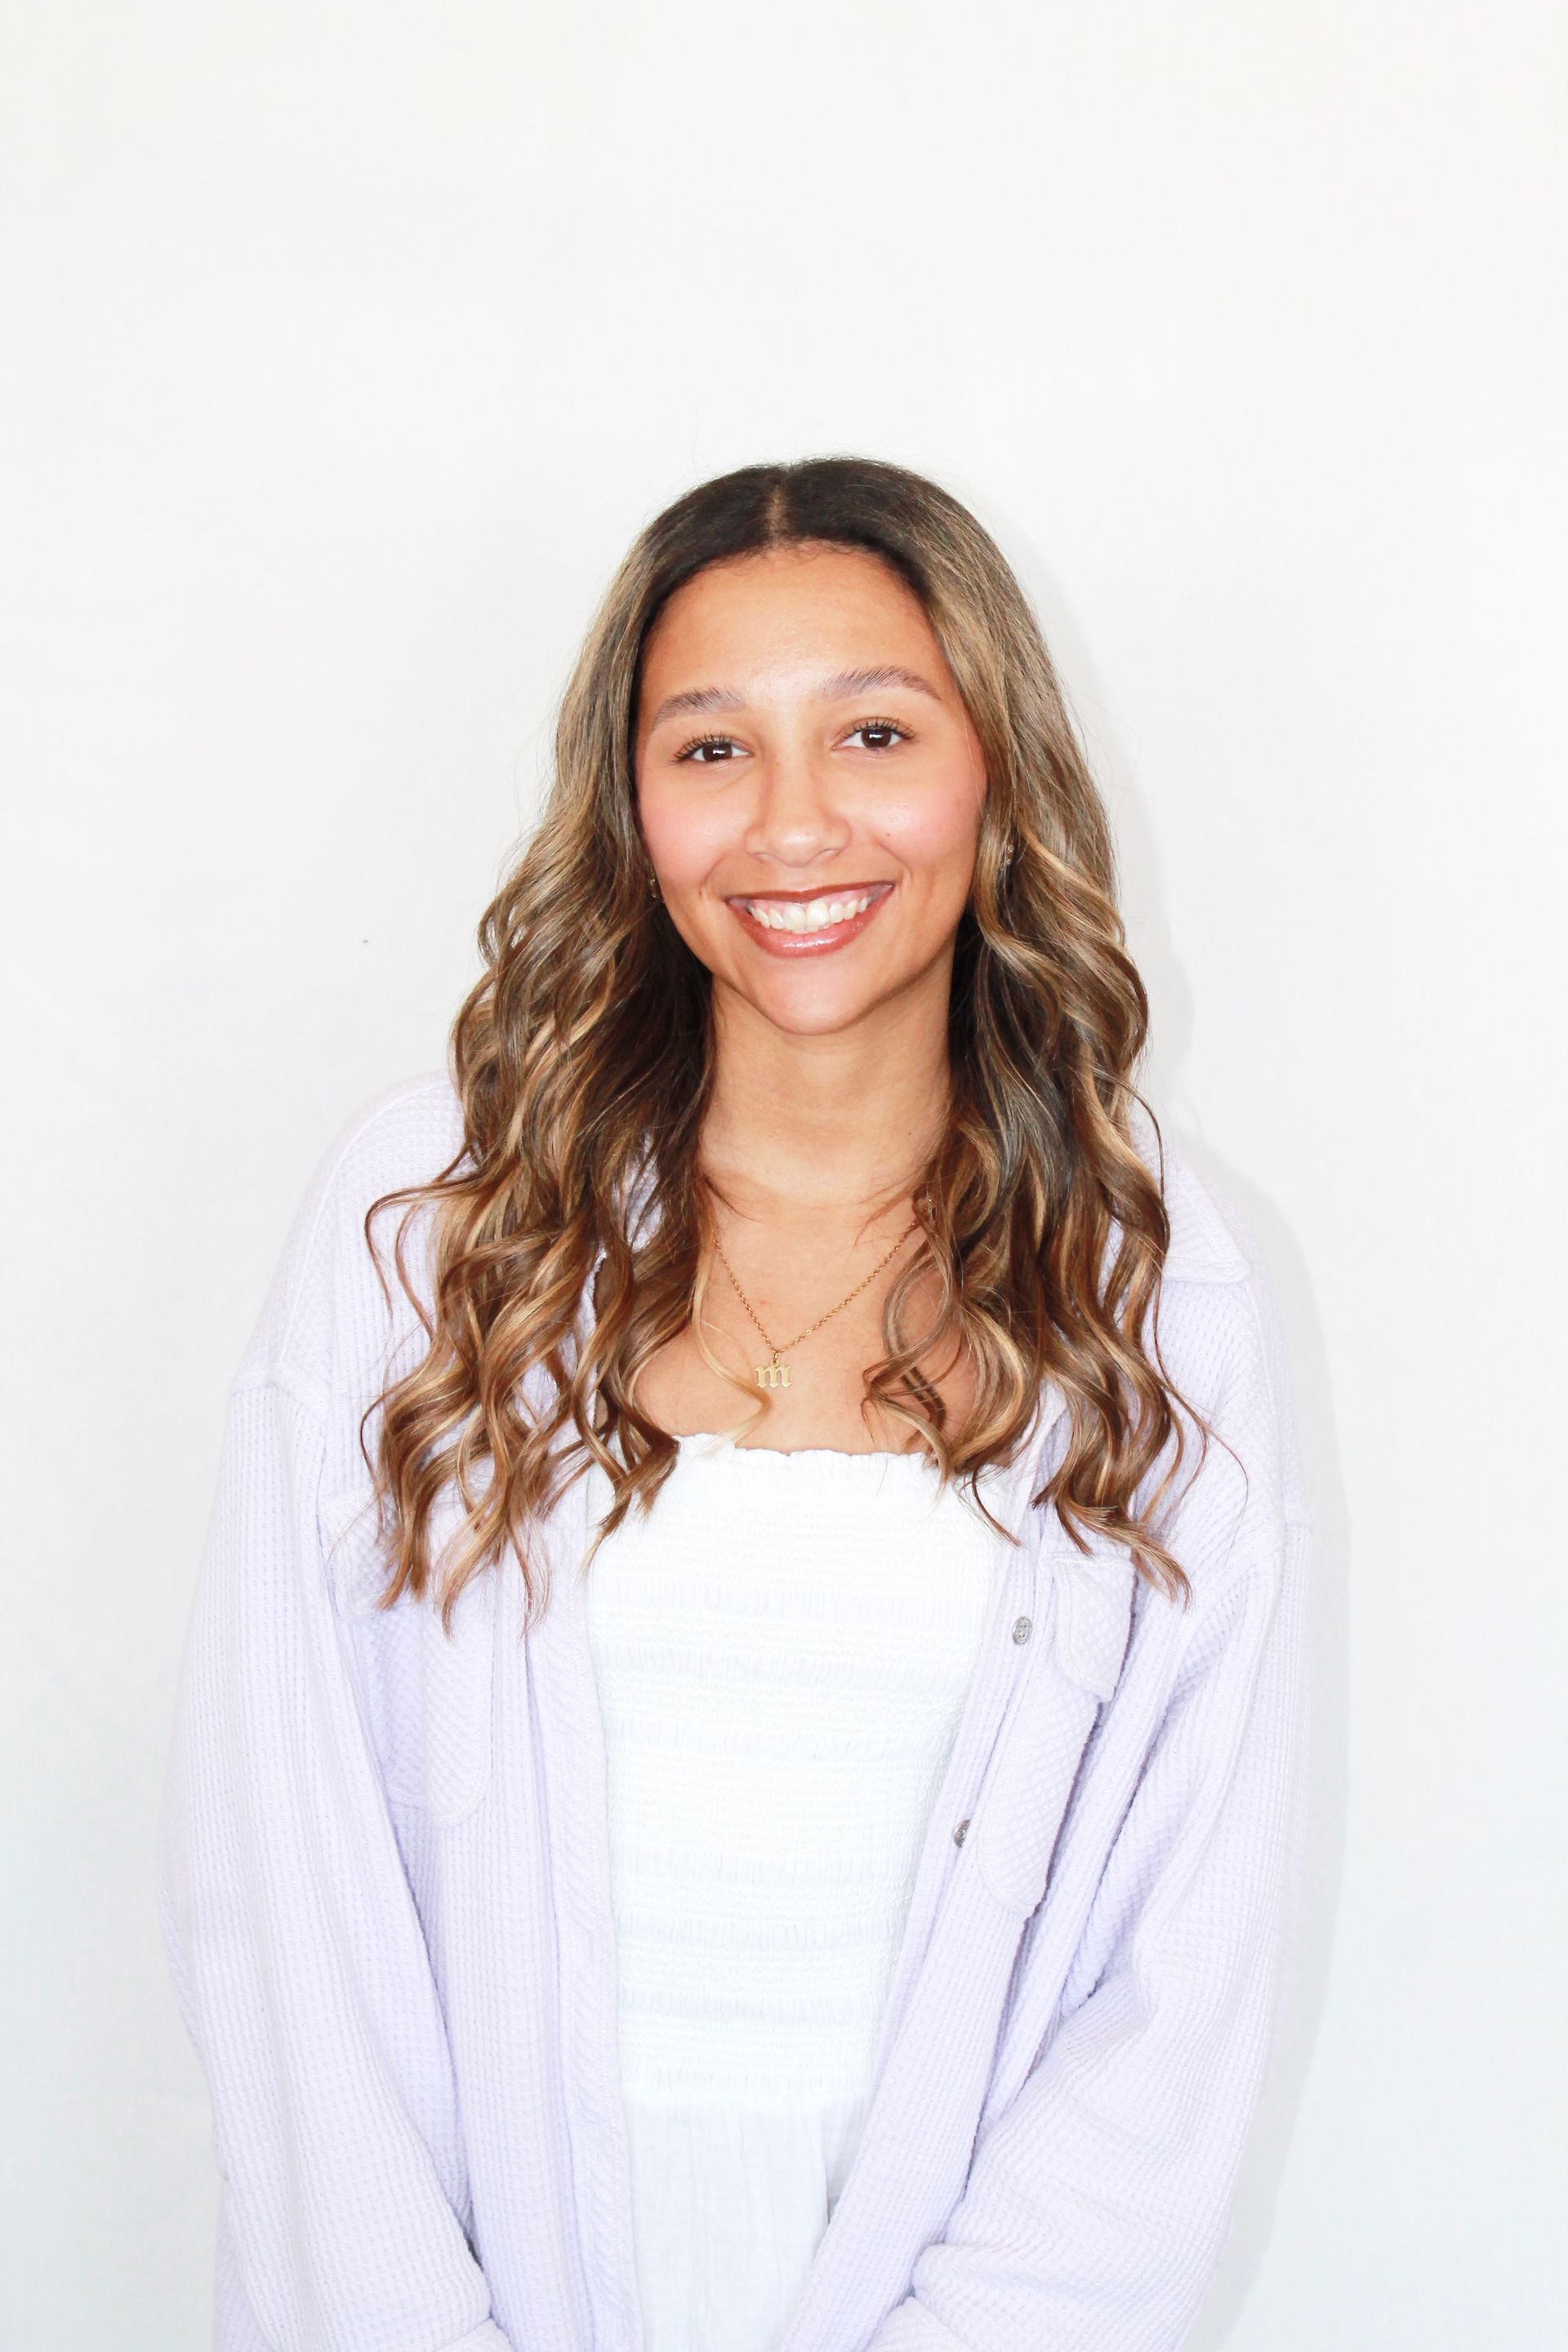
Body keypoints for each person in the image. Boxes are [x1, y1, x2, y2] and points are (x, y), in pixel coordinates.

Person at [158, 457, 1310, 2352]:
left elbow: (1175, 1987)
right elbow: (287, 1889)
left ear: (994, 772)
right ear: (628, 805)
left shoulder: (1165, 1294)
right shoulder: (427, 1230)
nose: (792, 827)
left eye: (872, 731)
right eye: (709, 749)